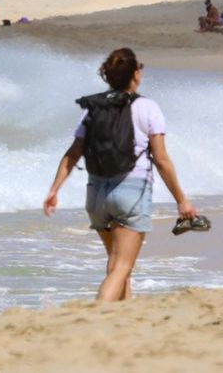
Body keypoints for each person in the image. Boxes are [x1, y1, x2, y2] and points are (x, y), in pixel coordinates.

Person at [42, 48, 199, 301]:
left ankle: (122, 318)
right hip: (131, 192)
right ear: (136, 73)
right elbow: (161, 159)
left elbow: (72, 153)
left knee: (116, 264)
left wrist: (54, 189)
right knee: (122, 267)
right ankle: (100, 314)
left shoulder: (92, 109)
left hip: (96, 196)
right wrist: (181, 199)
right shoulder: (148, 107)